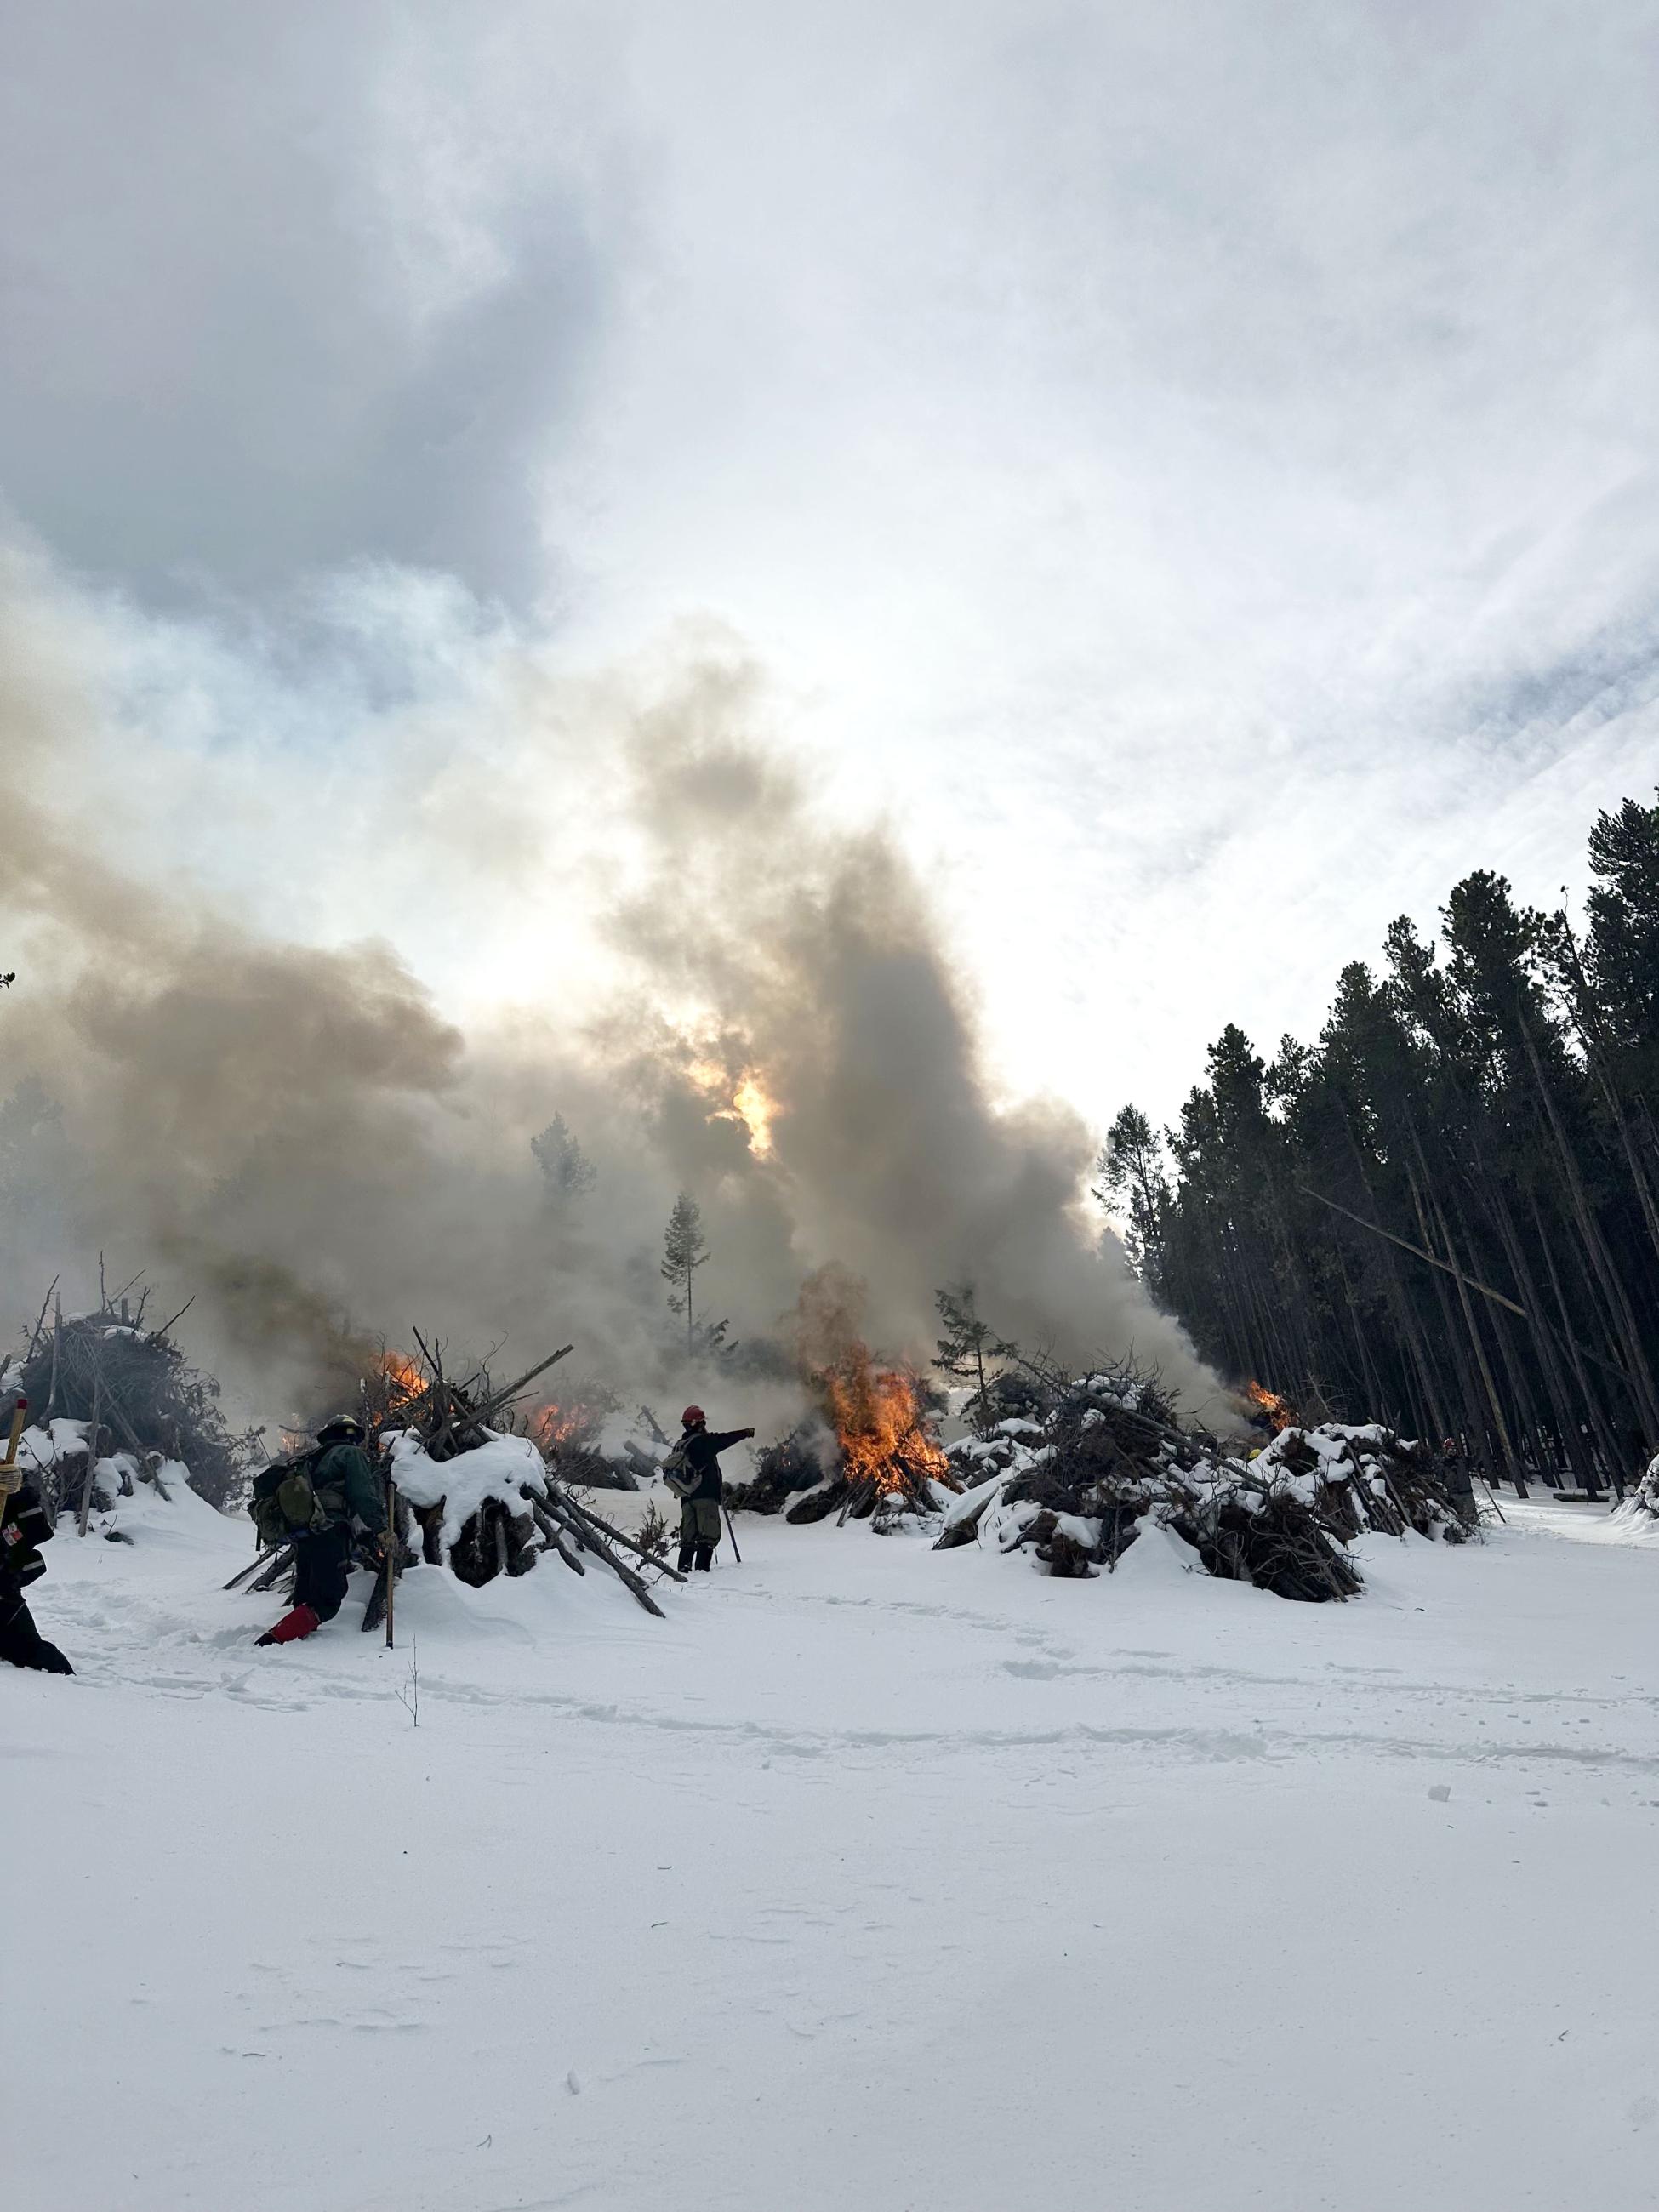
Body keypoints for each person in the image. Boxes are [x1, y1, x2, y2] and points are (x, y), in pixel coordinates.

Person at [256, 1413, 386, 1647]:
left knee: (306, 1594)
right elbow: (363, 1495)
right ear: (351, 1436)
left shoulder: (309, 1461)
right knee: (329, 1597)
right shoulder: (351, 1454)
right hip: (330, 1529)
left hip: (306, 1533)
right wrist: (381, 1528)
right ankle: (272, 1641)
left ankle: (293, 1636)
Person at [1, 1469, 74, 1675]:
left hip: (5, 1598)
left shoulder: (9, 1490)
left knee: (34, 1653)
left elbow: (35, 1528)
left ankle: (78, 1697)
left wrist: (17, 1486)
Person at [670, 1405, 754, 1574]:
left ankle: (683, 1569)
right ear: (699, 1423)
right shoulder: (702, 1442)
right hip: (705, 1497)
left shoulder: (680, 1445)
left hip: (686, 1498)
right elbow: (723, 1439)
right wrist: (744, 1433)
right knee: (708, 1534)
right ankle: (702, 1571)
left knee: (688, 1536)